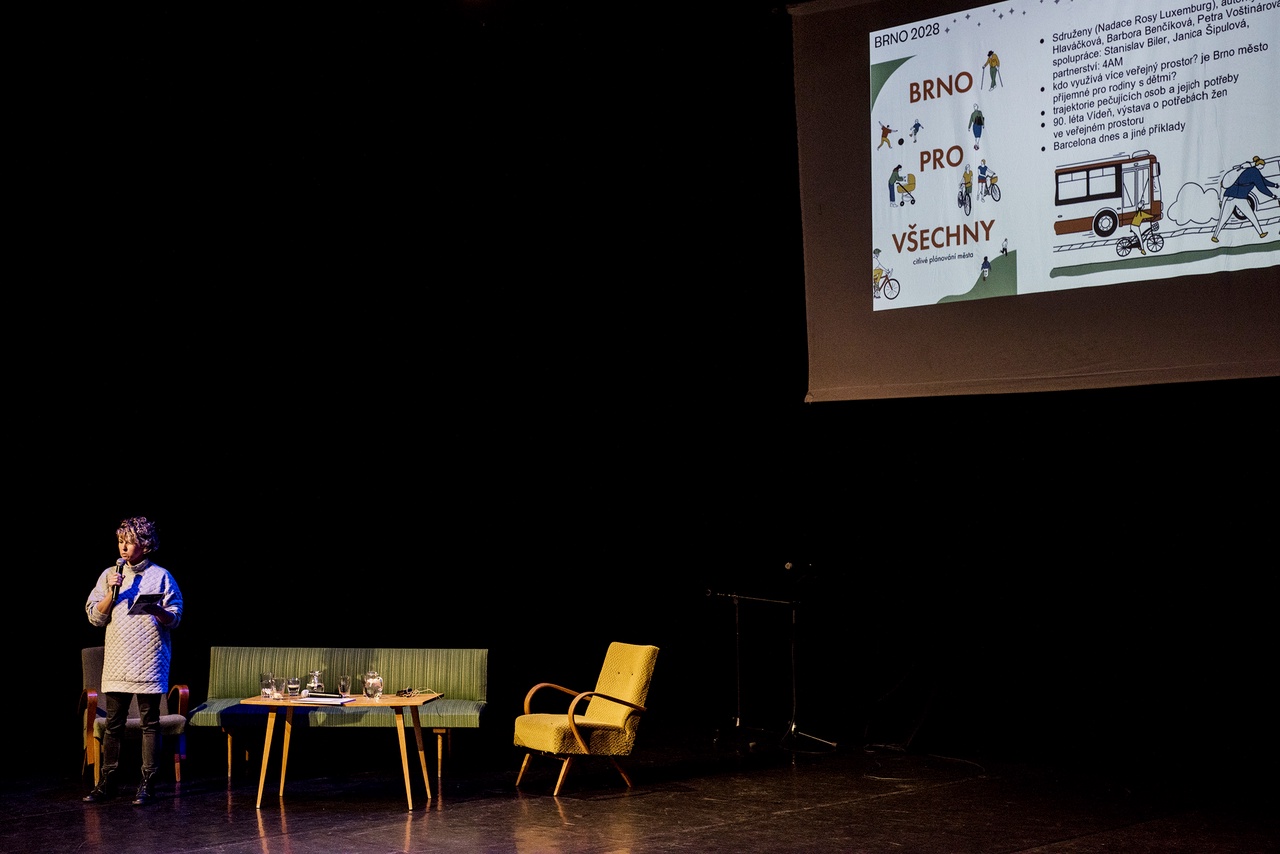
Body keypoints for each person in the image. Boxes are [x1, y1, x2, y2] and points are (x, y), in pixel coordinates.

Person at [83, 516, 183, 807]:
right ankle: (107, 782)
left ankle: (148, 782)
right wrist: (111, 594)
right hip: (118, 660)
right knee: (114, 724)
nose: (123, 548)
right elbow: (95, 617)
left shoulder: (161, 576)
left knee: (150, 723)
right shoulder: (109, 575)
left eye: (129, 542)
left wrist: (158, 611)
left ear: (145, 544)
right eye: (120, 542)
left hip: (150, 659)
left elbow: (175, 617)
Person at [1211, 155, 1275, 243]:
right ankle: (1261, 233)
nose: (1263, 167)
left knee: (1226, 217)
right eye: (1262, 165)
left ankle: (1261, 233)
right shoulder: (1254, 172)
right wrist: (1272, 195)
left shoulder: (1250, 170)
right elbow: (1261, 187)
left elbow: (1263, 181)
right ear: (1259, 165)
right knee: (1245, 215)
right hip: (1236, 197)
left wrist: (1274, 185)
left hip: (1233, 195)